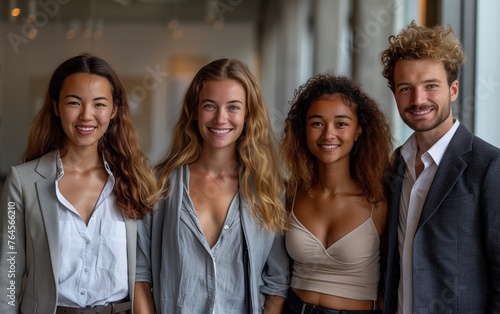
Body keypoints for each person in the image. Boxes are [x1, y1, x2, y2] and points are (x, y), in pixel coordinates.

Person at [0, 53, 161, 314]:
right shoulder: (24, 181)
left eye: (99, 104)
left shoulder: (137, 180)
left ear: (114, 110)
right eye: (74, 102)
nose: (86, 115)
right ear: (56, 106)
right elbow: (8, 271)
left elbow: (143, 274)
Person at [134, 58, 290, 313]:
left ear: (248, 115)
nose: (220, 118)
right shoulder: (159, 184)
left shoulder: (268, 190)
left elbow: (277, 283)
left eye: (233, 107)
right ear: (194, 111)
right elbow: (140, 274)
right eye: (210, 106)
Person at [380, 22, 500, 313]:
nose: (418, 100)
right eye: (406, 88)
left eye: (430, 86)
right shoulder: (393, 166)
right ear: (395, 94)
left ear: (454, 90)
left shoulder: (489, 167)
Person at [280, 74, 392, 313]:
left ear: (358, 130)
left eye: (341, 124)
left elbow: (392, 278)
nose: (328, 134)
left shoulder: (379, 201)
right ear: (304, 129)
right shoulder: (290, 193)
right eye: (317, 123)